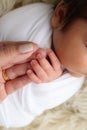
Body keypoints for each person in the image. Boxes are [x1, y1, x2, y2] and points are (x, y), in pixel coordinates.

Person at [0, 0, 86, 128]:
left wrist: (47, 82)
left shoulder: (72, 82)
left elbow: (39, 102)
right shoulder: (35, 24)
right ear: (60, 15)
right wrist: (41, 78)